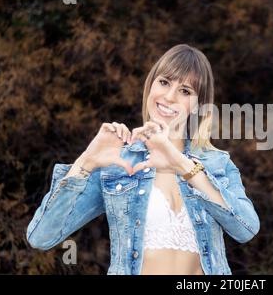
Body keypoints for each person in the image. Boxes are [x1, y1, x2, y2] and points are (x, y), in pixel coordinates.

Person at [26, 44, 260, 275]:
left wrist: (182, 165)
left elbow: (246, 229)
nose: (169, 97)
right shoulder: (118, 163)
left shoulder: (217, 163)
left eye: (185, 91)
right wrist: (85, 162)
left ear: (198, 105)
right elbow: (41, 236)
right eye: (164, 82)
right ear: (151, 85)